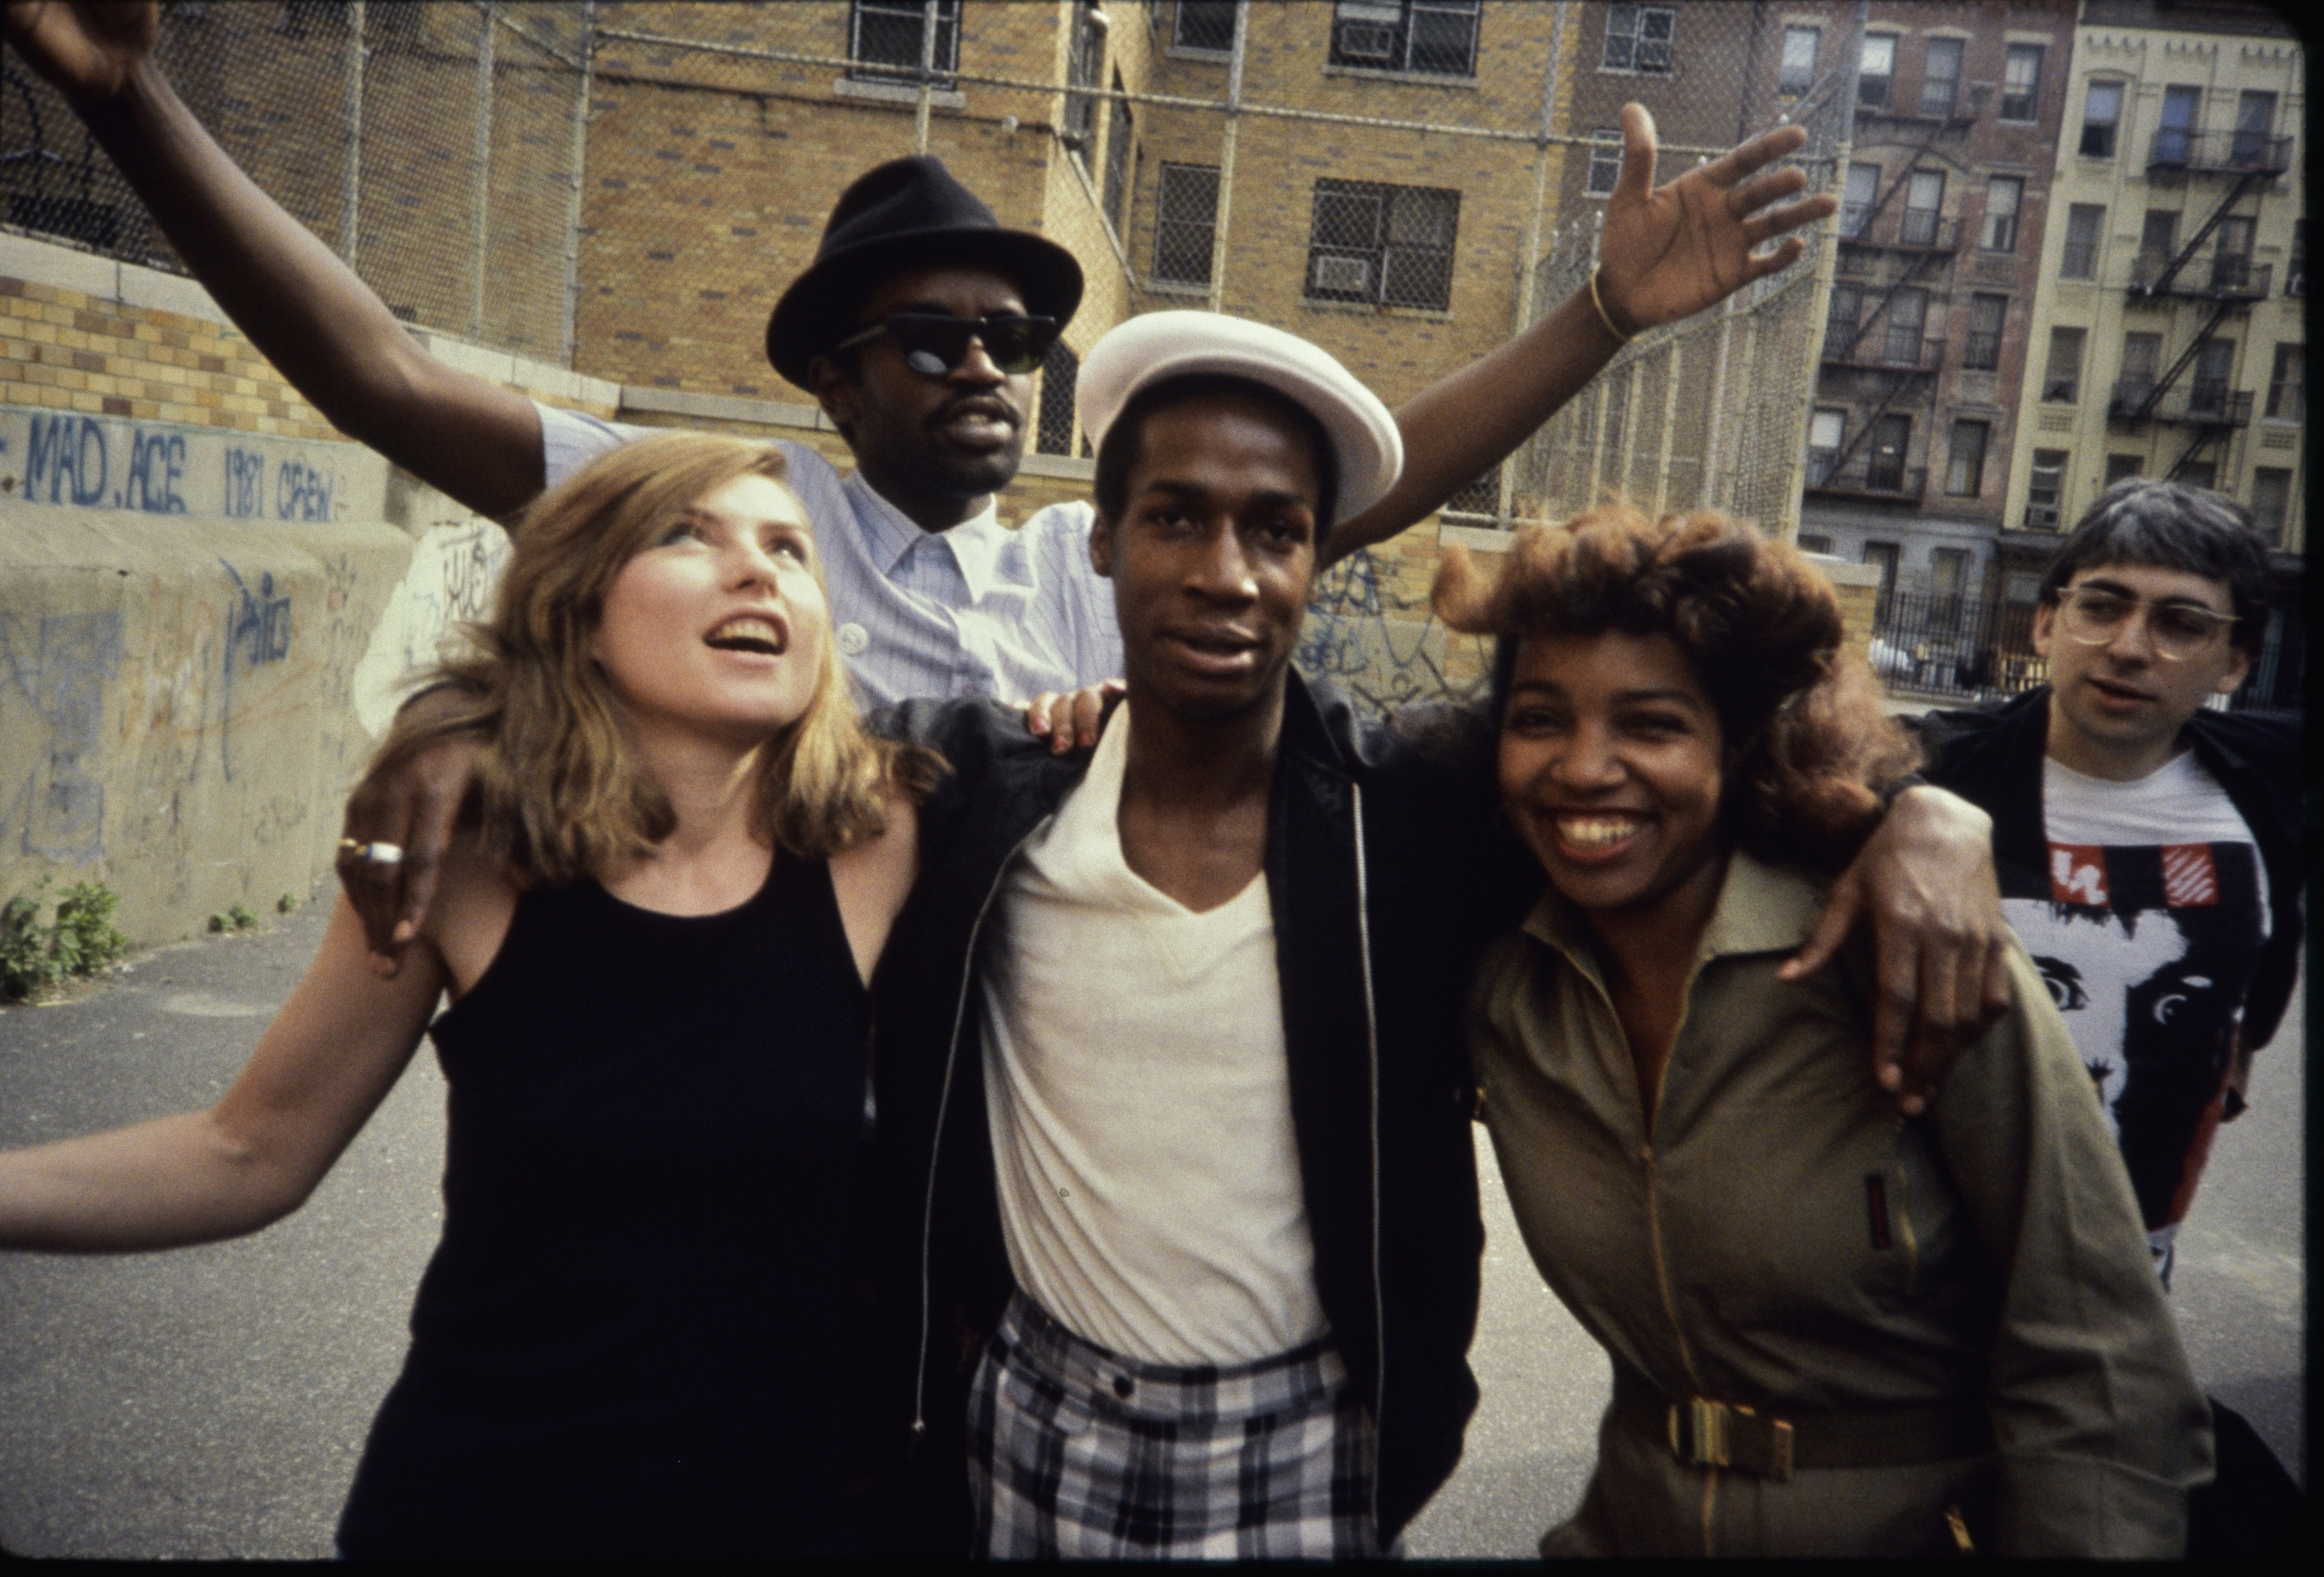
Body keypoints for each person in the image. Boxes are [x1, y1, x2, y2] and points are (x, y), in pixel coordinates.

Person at [0, 0, 1839, 955]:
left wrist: (1601, 309)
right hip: (773, 1100)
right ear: (829, 374)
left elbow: (1354, 487)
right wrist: (125, 102)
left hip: (1018, 1130)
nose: (986, 371)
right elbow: (382, 374)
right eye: (936, 339)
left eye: (1016, 343)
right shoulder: (731, 534)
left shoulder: (1082, 565)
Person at [856, 313, 2015, 1557]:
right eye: (1174, 517)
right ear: (1100, 535)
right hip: (1036, 1429)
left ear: (1318, 557)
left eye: (1277, 530)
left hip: (1312, 1444)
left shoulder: (1398, 811)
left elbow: (1681, 772)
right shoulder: (978, 794)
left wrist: (1925, 813)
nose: (1226, 572)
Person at [0, 434, 939, 1558]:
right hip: (477, 1507)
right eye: (688, 535)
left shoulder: (883, 842)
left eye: (789, 551)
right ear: (577, 610)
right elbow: (248, 1150)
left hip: (778, 1520)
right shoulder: (471, 860)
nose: (758, 571)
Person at [1432, 506, 2213, 1556]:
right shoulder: (1507, 982)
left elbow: (2103, 1361)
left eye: (1651, 723)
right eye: (1540, 719)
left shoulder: (1908, 950)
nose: (1584, 767)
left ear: (1740, 740)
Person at [1906, 480, 2304, 1553]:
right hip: (1919, 1298)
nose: (2129, 645)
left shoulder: (2265, 799)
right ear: (2046, 621)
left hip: (2125, 1294)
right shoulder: (1929, 780)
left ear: (2233, 663)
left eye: (2180, 622)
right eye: (2101, 604)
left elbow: (2248, 1001)